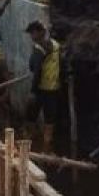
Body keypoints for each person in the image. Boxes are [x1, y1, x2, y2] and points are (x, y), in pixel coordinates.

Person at [25, 20, 61, 152]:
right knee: (49, 119)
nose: (31, 36)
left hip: (40, 88)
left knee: (31, 115)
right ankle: (46, 146)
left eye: (32, 33)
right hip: (54, 88)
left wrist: (33, 92)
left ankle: (27, 144)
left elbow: (36, 70)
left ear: (39, 32)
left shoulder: (39, 48)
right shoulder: (56, 45)